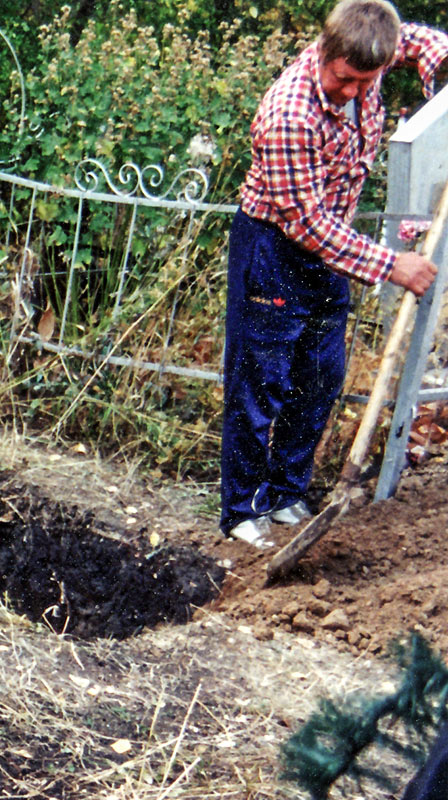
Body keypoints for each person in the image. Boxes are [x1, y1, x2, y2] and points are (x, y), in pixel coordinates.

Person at [219, 0, 445, 548]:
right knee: (260, 384)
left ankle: (288, 494)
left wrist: (443, 82)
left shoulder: (373, 52)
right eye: (343, 79)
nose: (350, 91)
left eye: (364, 82)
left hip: (331, 250)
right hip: (276, 247)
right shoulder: (289, 115)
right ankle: (243, 510)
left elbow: (427, 43)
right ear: (326, 52)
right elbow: (308, 225)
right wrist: (393, 264)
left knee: (320, 378)